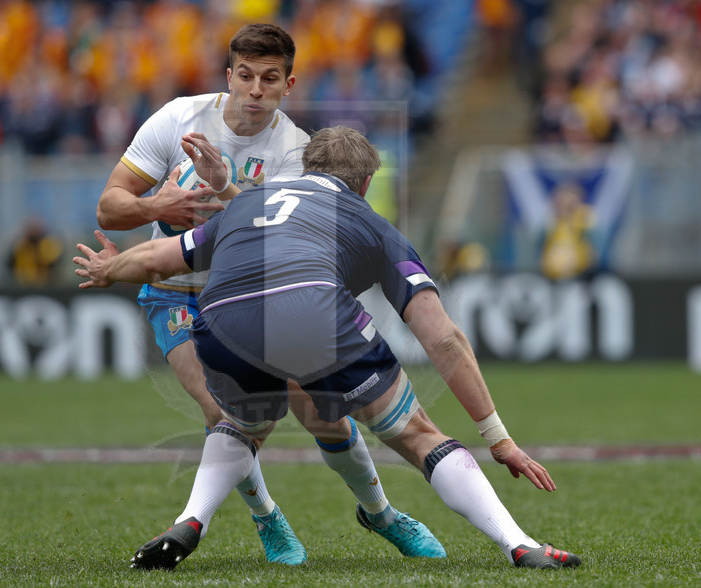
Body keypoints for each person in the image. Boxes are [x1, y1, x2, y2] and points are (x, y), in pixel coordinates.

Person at [74, 126, 583, 571]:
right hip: (314, 314)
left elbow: (161, 257)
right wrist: (498, 438)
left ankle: (192, 519)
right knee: (417, 434)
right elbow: (444, 338)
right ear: (364, 184)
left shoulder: (249, 201)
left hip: (220, 321)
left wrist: (107, 269)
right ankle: (517, 543)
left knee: (244, 423)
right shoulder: (372, 222)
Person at [93, 23, 439, 565]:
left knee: (321, 411)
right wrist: (157, 209)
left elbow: (269, 240)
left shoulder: (295, 151)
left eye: (269, 79)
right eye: (246, 76)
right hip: (175, 289)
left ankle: (381, 514)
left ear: (288, 85)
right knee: (222, 412)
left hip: (253, 291)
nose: (255, 90)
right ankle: (268, 520)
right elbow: (109, 209)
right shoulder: (177, 117)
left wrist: (226, 190)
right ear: (228, 77)